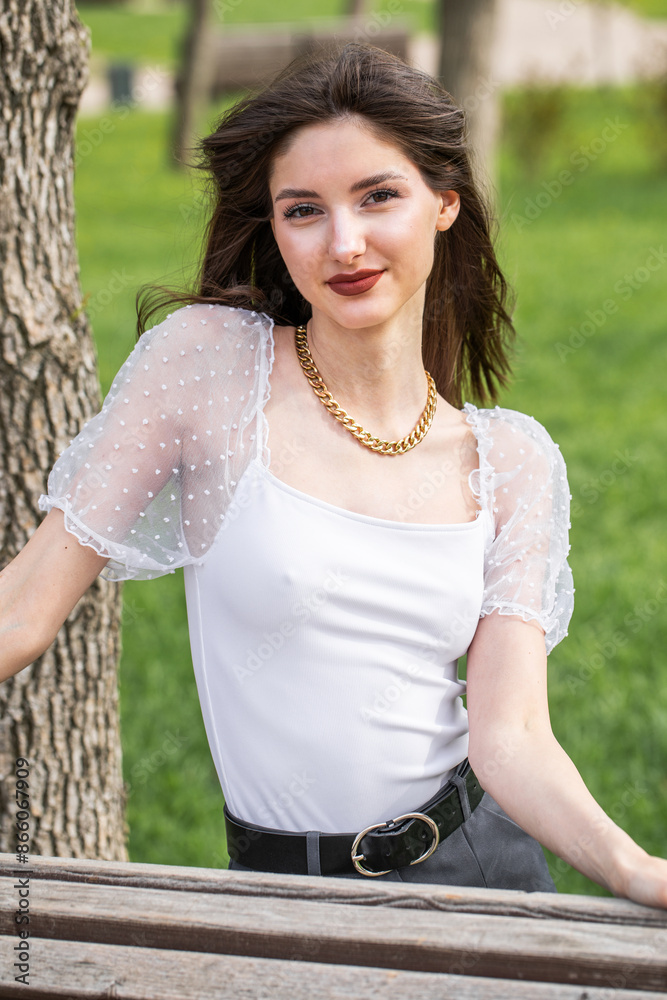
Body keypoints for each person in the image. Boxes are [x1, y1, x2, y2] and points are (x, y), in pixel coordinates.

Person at [1, 42, 666, 905]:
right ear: (274, 231)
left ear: (443, 204)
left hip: (477, 874)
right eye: (303, 210)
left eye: (378, 196)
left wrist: (629, 867)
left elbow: (511, 738)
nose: (343, 243)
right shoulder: (210, 367)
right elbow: (21, 611)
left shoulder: (512, 460)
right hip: (277, 890)